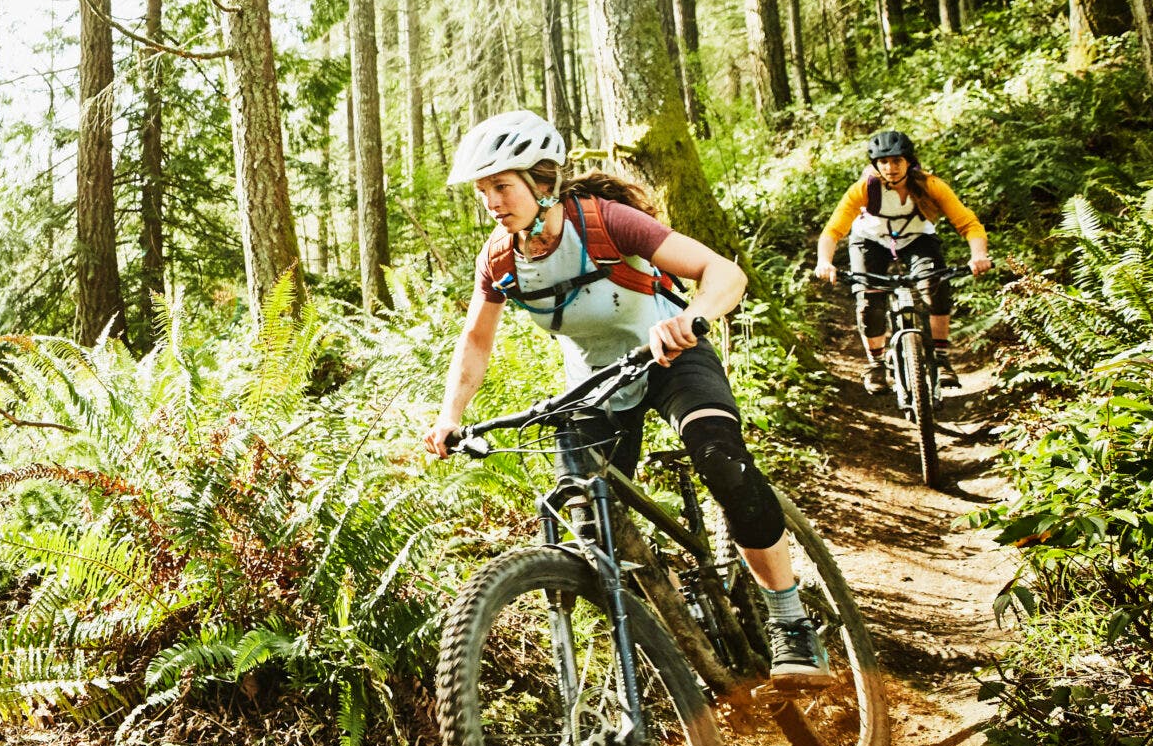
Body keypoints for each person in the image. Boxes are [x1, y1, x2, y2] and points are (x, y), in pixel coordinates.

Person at [422, 109, 834, 685]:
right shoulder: (499, 258)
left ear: (543, 183)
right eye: (482, 190)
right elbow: (475, 341)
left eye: (502, 185)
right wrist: (450, 417)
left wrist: (692, 318)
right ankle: (665, 636)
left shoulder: (606, 222)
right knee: (597, 528)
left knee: (720, 458)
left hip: (671, 355)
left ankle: (790, 620)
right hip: (594, 383)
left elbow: (724, 274)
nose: (491, 200)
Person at [813, 129, 989, 394]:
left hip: (918, 239)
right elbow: (833, 231)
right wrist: (824, 261)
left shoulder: (930, 185)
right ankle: (876, 365)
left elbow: (968, 224)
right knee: (870, 301)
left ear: (908, 161)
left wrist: (979, 256)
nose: (891, 168)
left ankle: (941, 359)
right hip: (870, 241)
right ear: (875, 165)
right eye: (884, 162)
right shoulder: (865, 188)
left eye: (897, 161)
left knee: (934, 285)